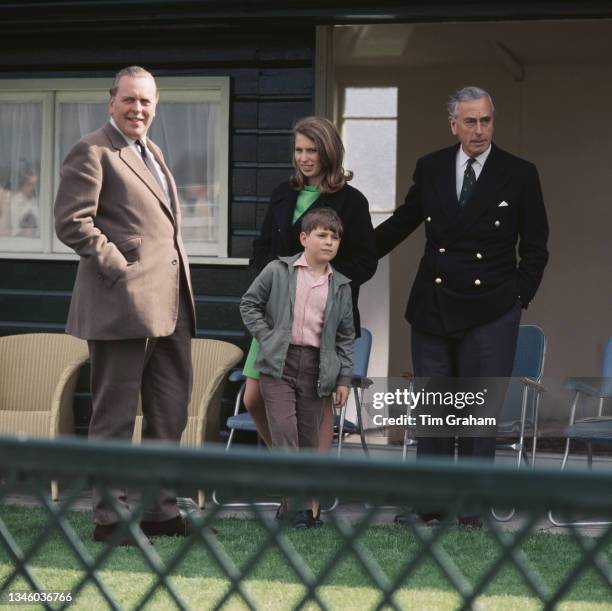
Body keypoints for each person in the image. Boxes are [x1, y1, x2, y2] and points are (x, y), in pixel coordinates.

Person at [376, 86, 549, 527]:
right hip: (433, 305)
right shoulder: (431, 166)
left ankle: (473, 510)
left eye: (486, 120)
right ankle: (431, 505)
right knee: (434, 407)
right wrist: (352, 254)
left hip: (492, 308)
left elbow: (535, 247)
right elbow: (403, 222)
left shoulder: (519, 172)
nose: (479, 130)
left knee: (478, 411)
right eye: (470, 121)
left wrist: (516, 300)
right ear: (453, 124)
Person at [54, 66, 196, 544]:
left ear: (156, 107)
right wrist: (120, 267)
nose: (139, 109)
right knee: (114, 419)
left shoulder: (151, 151)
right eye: (130, 100)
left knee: (168, 413)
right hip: (122, 304)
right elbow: (73, 221)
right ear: (111, 101)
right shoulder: (93, 149)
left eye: (147, 102)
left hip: (170, 306)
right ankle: (110, 521)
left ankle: (159, 511)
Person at [244, 115, 377, 455]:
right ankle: (293, 474)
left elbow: (365, 262)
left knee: (318, 409)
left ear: (328, 152)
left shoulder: (352, 201)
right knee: (253, 398)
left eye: (312, 150)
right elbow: (262, 247)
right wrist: (269, 282)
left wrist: (320, 279)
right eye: (298, 150)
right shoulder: (282, 193)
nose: (303, 158)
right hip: (274, 317)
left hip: (320, 318)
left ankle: (311, 503)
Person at [240, 207, 354, 528]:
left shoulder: (341, 286)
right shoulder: (278, 271)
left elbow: (346, 336)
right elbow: (249, 304)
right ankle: (299, 505)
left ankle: (295, 506)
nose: (329, 242)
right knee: (285, 432)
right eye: (322, 235)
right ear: (304, 238)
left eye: (335, 237)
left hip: (317, 370)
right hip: (278, 364)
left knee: (307, 438)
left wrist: (343, 378)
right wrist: (268, 336)